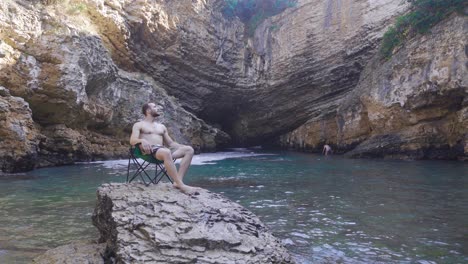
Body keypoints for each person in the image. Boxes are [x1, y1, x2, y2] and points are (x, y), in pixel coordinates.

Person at [130, 102, 199, 194]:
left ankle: (178, 182)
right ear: (148, 110)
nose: (157, 108)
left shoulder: (161, 126)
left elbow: (170, 143)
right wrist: (142, 141)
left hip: (162, 151)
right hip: (149, 152)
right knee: (166, 152)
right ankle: (182, 186)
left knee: (189, 150)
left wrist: (182, 147)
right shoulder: (139, 125)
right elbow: (132, 140)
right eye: (155, 107)